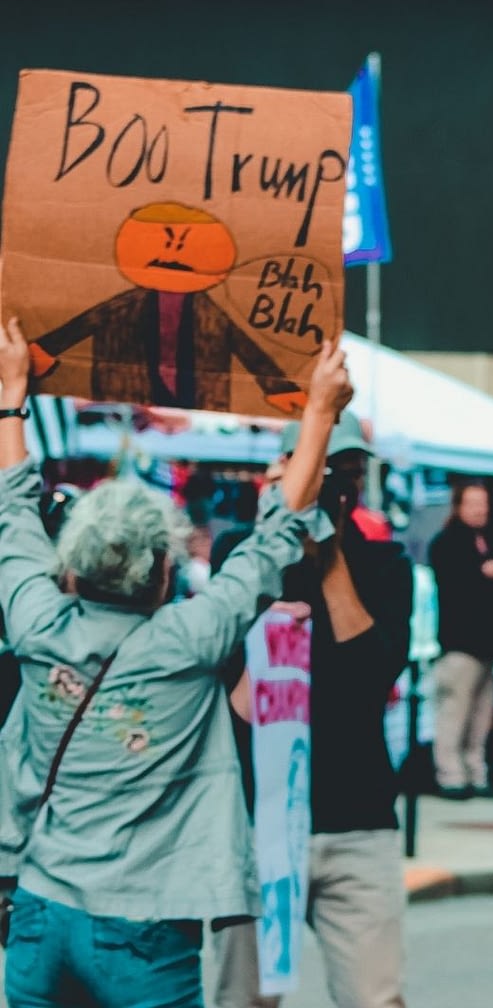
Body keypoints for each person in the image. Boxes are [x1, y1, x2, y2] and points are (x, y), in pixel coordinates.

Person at [0, 316, 351, 1008]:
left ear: (71, 569)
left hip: (39, 914)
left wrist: (12, 395)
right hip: (147, 928)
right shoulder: (191, 638)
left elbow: (12, 509)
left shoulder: (36, 621)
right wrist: (318, 412)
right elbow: (278, 534)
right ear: (162, 571)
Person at [214, 408, 413, 1008]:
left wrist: (328, 550)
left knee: (375, 999)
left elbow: (374, 671)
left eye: (349, 473)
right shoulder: (238, 554)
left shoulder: (386, 565)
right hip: (259, 821)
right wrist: (275, 533)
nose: (339, 489)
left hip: (357, 821)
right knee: (244, 1000)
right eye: (323, 472)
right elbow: (230, 693)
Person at [428, 481, 493, 799]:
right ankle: (450, 775)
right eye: (473, 504)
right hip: (460, 643)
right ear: (459, 507)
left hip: (488, 642)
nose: (480, 510)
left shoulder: (491, 539)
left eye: (483, 504)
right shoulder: (447, 543)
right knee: (454, 710)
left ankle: (475, 772)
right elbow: (454, 583)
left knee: (481, 715)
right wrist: (482, 572)